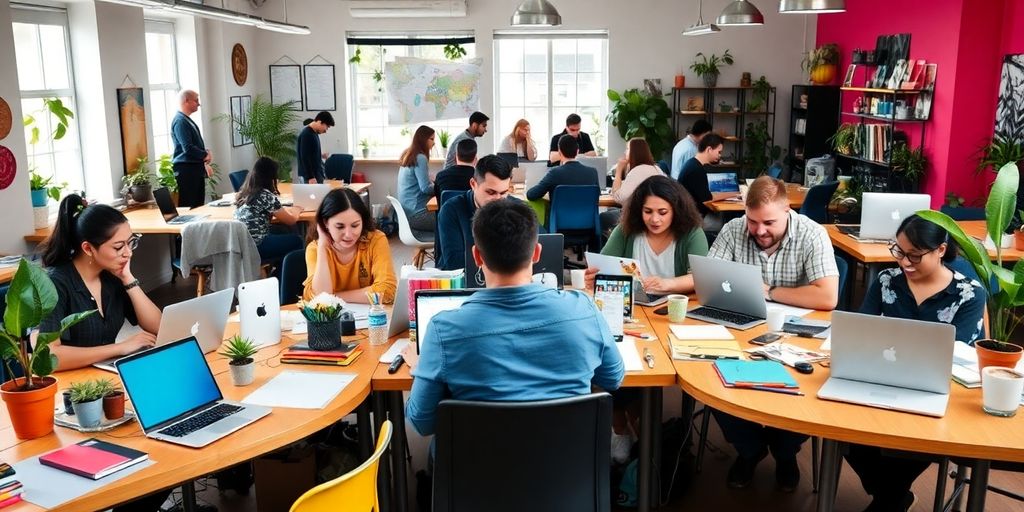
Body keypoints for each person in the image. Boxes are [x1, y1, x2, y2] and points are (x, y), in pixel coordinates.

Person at [405, 198, 625, 436]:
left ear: (477, 256)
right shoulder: (584, 310)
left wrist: (421, 368)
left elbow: (421, 422)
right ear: (537, 252)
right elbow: (613, 378)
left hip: (476, 470)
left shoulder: (443, 330)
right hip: (567, 467)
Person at [706, 176, 839, 492]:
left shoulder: (811, 234)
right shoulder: (735, 229)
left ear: (787, 211)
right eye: (753, 221)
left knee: (810, 386)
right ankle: (750, 449)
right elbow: (710, 277)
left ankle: (785, 451)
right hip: (740, 328)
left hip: (799, 337)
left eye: (769, 222)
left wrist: (770, 291)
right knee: (707, 376)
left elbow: (827, 297)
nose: (759, 230)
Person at [845, 215, 985, 511]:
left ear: (941, 250)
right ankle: (893, 497)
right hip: (880, 381)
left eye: (915, 255)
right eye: (899, 251)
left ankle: (888, 500)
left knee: (913, 442)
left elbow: (957, 354)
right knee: (844, 436)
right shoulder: (886, 281)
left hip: (934, 391)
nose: (904, 262)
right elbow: (861, 330)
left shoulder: (968, 294)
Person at [587, 176, 708, 295]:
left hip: (675, 309)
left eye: (663, 212)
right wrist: (595, 276)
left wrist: (667, 284)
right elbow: (602, 266)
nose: (655, 219)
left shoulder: (692, 233)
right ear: (639, 210)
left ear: (677, 211)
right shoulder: (626, 230)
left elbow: (699, 278)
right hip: (634, 307)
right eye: (648, 211)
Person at [303, 187, 397, 304]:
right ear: (325, 223)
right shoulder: (315, 249)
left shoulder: (376, 240)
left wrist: (334, 296)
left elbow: (387, 291)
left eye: (355, 225)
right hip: (332, 319)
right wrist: (322, 246)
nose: (348, 235)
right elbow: (319, 297)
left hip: (371, 317)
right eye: (340, 227)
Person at [436, 155, 513, 271]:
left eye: (503, 193)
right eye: (491, 192)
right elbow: (454, 262)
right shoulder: (451, 210)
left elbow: (540, 247)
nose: (498, 199)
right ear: (473, 184)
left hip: (504, 280)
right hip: (463, 280)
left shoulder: (517, 209)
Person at [233, 157, 304, 266]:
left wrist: (286, 210)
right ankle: (282, 276)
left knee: (283, 230)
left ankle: (278, 267)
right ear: (270, 177)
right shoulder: (265, 195)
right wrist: (297, 209)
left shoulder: (244, 193)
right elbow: (291, 220)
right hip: (258, 245)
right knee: (297, 240)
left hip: (242, 245)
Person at [599, 138, 665, 232]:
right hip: (653, 215)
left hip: (637, 218)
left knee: (603, 216)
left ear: (634, 152)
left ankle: (606, 246)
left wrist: (619, 170)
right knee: (611, 210)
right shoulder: (656, 169)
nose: (625, 152)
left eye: (627, 149)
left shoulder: (637, 171)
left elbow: (619, 197)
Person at [171, 89, 211, 208]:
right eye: (196, 100)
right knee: (189, 206)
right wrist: (204, 155)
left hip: (194, 169)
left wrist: (206, 153)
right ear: (186, 101)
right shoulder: (180, 121)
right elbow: (187, 148)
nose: (199, 103)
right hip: (187, 171)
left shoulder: (186, 120)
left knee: (198, 205)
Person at [526, 135, 599, 201]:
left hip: (559, 216)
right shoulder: (592, 172)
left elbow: (531, 195)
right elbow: (597, 195)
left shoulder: (555, 173)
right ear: (577, 152)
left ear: (559, 152)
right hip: (587, 216)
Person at [397, 125, 437, 232]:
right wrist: (440, 186)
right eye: (431, 139)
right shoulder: (420, 158)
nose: (434, 143)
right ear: (423, 140)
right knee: (452, 219)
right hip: (418, 215)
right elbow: (425, 188)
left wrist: (430, 180)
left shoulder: (408, 154)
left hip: (408, 213)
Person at [677, 133, 724, 218]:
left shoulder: (692, 163)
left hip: (688, 213)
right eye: (719, 152)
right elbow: (708, 198)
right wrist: (734, 195)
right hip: (692, 218)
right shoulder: (696, 170)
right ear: (709, 149)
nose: (720, 155)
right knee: (724, 218)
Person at [434, 138, 478, 204]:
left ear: (456, 157)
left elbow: (439, 203)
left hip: (447, 213)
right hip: (473, 214)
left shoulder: (441, 176)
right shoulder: (479, 178)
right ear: (475, 159)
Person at [296, 111, 335, 184]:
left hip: (316, 175)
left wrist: (320, 155)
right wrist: (310, 177)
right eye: (327, 127)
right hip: (311, 178)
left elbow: (310, 154)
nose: (326, 130)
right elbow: (304, 157)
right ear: (320, 122)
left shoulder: (313, 133)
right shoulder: (307, 134)